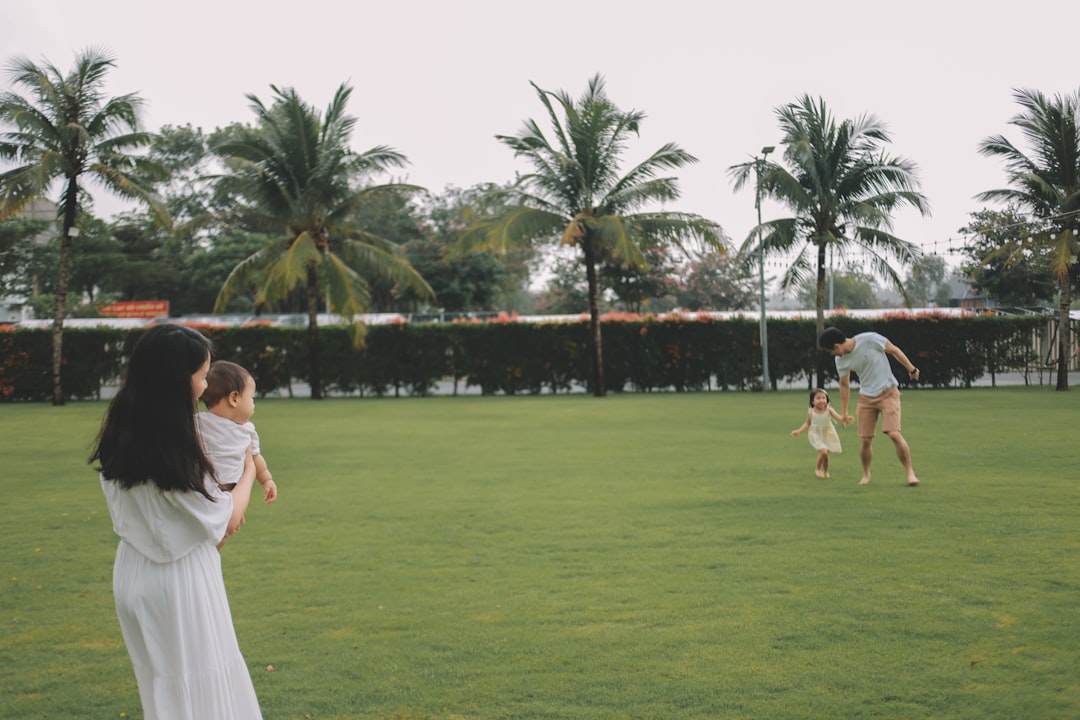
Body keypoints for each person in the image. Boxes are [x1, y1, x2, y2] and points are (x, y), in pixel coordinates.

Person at [90, 324, 263, 720]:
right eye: (202, 376)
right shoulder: (177, 452)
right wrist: (249, 465)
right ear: (176, 379)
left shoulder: (121, 435)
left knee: (163, 689)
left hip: (133, 572)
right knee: (200, 688)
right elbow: (227, 520)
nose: (205, 387)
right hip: (178, 580)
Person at [818, 326, 921, 487]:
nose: (833, 355)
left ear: (836, 346)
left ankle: (910, 472)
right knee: (865, 441)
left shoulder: (870, 339)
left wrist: (911, 369)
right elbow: (844, 384)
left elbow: (894, 350)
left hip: (888, 393)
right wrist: (844, 412)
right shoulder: (841, 360)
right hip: (866, 398)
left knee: (894, 434)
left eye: (831, 351)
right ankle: (866, 474)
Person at [197, 360, 277, 504]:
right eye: (251, 398)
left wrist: (267, 479)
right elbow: (255, 458)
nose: (253, 404)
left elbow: (255, 458)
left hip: (230, 493)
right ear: (234, 398)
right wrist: (267, 479)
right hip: (204, 493)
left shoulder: (247, 430)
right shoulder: (199, 423)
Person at [790, 387, 844, 478]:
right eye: (818, 398)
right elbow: (808, 423)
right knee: (824, 452)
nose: (821, 400)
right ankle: (818, 469)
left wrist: (845, 419)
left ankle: (826, 471)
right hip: (816, 434)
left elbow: (838, 417)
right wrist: (799, 431)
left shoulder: (829, 410)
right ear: (812, 401)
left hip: (827, 433)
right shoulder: (811, 412)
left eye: (823, 398)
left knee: (826, 454)